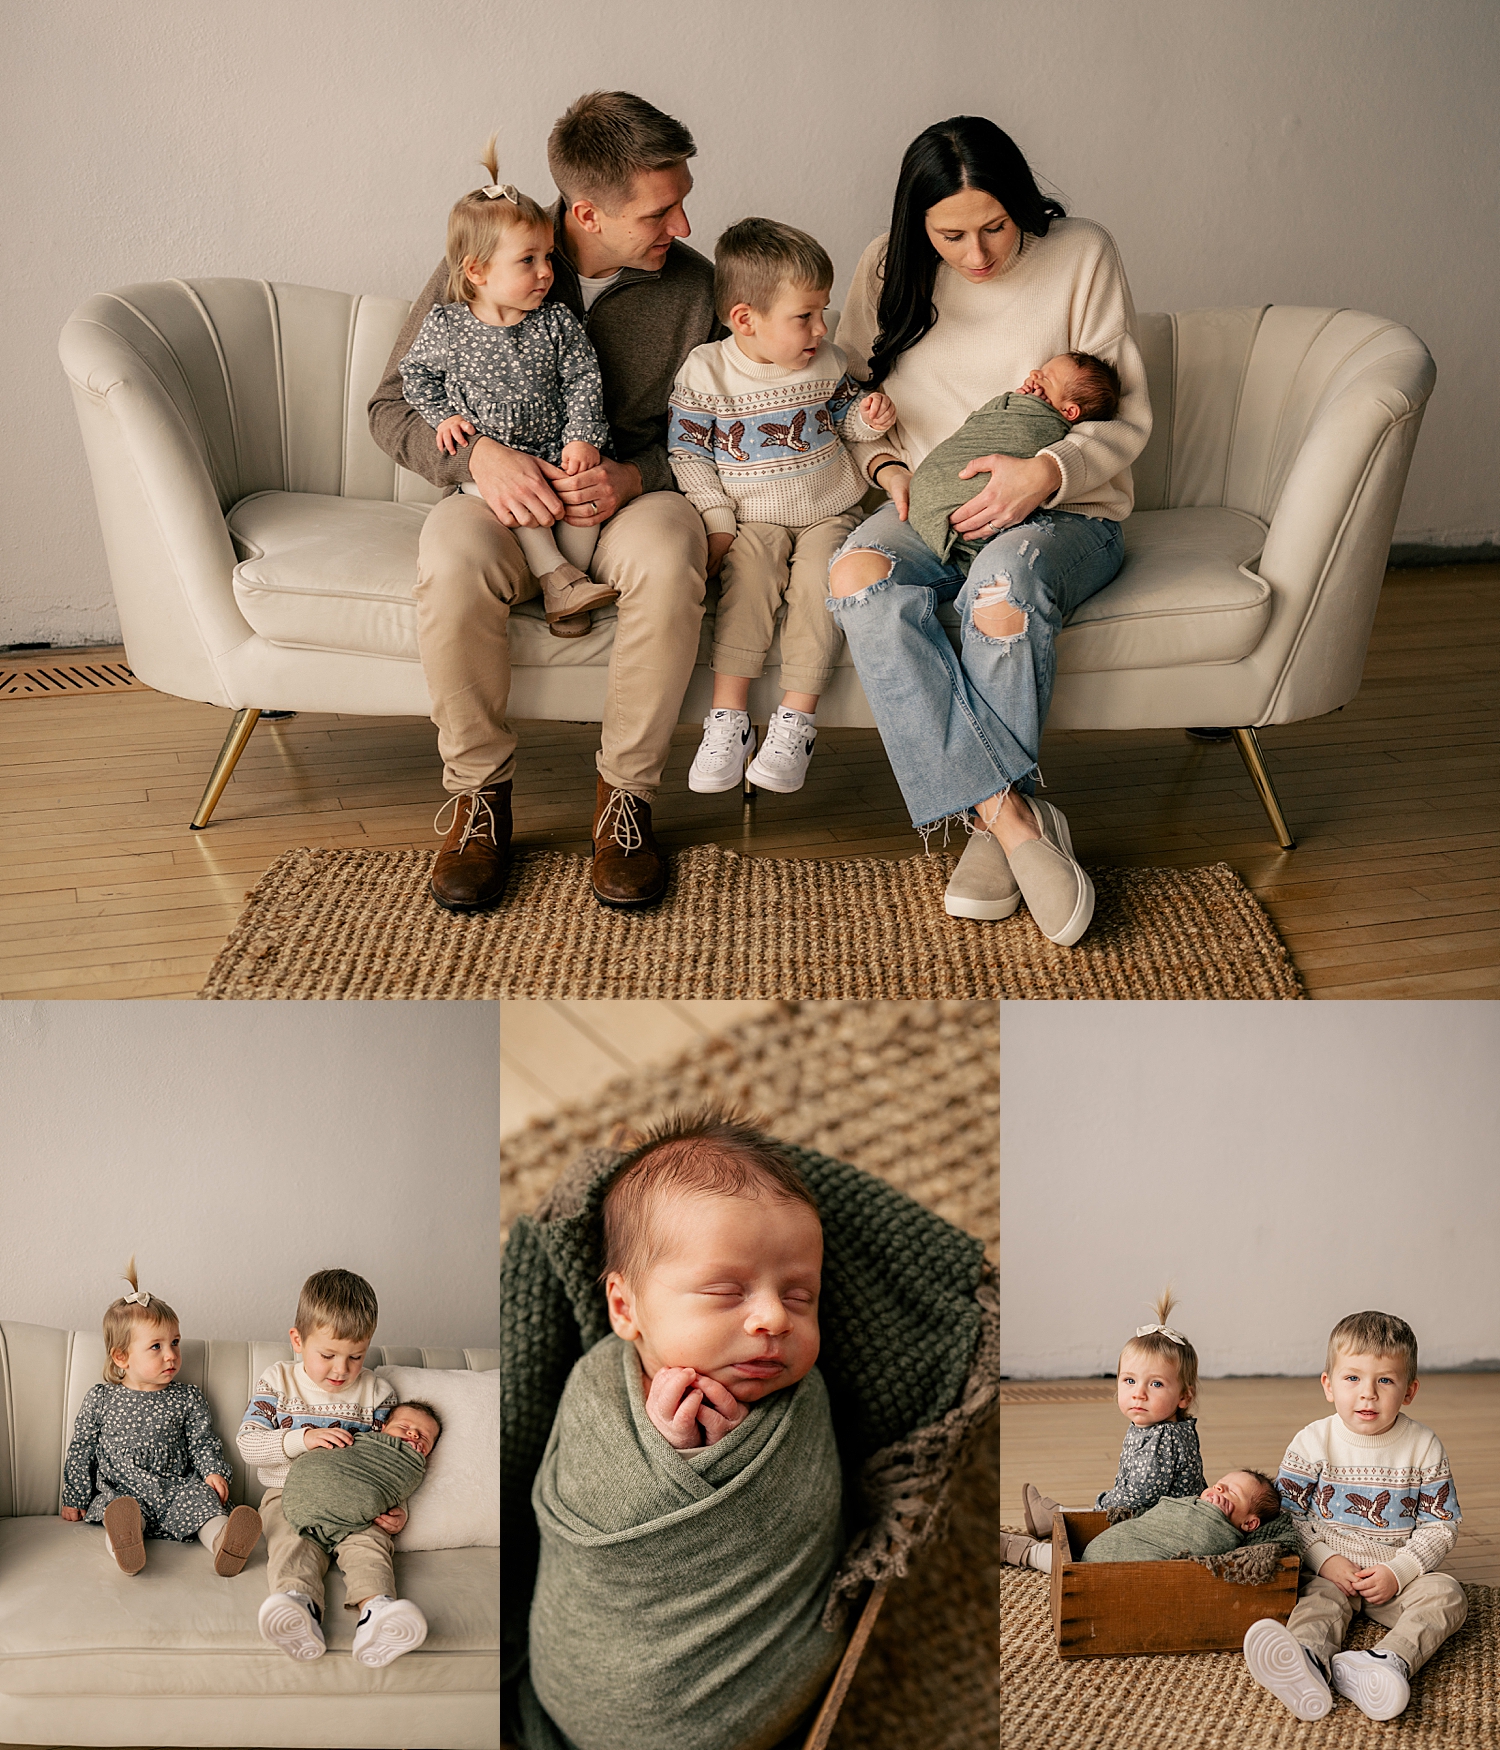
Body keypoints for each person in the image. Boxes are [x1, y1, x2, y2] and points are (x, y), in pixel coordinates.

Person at [369, 92, 720, 915]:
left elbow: (718, 430)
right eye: (661, 210)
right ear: (588, 213)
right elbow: (392, 406)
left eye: (684, 199)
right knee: (451, 560)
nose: (684, 226)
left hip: (628, 498)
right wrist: (478, 459)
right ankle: (477, 801)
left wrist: (639, 478)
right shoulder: (489, 253)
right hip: (499, 502)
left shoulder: (695, 290)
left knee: (673, 559)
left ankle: (625, 805)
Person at [828, 116, 1151, 946]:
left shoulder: (1082, 254)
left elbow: (1127, 418)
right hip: (927, 508)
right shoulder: (886, 267)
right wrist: (888, 469)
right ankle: (1009, 820)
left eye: (995, 228)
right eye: (950, 236)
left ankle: (983, 826)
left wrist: (1045, 473)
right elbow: (846, 401)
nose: (976, 256)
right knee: (855, 574)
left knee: (1000, 590)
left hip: (1067, 513)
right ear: (916, 225)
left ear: (1021, 206)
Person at [525, 1111, 846, 1750]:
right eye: (728, 1292)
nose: (773, 1318)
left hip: (746, 1693)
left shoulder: (804, 1401)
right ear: (625, 1308)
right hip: (595, 1680)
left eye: (800, 1295)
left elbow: (812, 1514)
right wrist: (668, 1458)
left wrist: (728, 1459)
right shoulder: (594, 1388)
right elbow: (585, 1513)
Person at [667, 218, 894, 795]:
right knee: (749, 578)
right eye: (805, 316)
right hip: (751, 517)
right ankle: (728, 719)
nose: (822, 327)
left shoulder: (826, 360)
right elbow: (688, 455)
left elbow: (843, 416)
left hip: (829, 509)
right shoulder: (706, 372)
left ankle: (797, 719)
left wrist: (867, 418)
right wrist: (718, 521)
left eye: (822, 312)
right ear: (746, 319)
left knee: (823, 580)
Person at [399, 138, 613, 638]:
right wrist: (443, 417)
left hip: (552, 449)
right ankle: (557, 577)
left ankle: (565, 584)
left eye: (548, 257)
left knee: (583, 507)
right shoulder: (447, 326)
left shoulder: (556, 322)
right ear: (476, 271)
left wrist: (582, 437)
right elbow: (415, 375)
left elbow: (583, 379)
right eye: (528, 261)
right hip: (490, 463)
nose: (546, 273)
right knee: (514, 500)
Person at [1243, 1311, 1466, 1724]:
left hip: (1396, 1577)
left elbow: (1442, 1524)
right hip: (1332, 1572)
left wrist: (1398, 1571)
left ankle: (1386, 1663)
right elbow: (1287, 1517)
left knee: (1448, 1596)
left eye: (1385, 1380)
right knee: (1315, 1605)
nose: (1368, 1394)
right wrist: (1325, 1560)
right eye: (1352, 1379)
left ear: (1409, 1390)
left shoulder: (1423, 1446)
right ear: (1328, 1385)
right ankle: (1306, 1662)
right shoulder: (1312, 1441)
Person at [237, 1268, 427, 1668]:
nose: (341, 1370)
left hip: (355, 1499)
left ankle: (377, 1612)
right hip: (287, 1495)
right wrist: (300, 1439)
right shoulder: (278, 1380)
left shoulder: (377, 1393)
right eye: (327, 1355)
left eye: (356, 1357)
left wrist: (398, 1511)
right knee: (292, 1542)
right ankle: (298, 1607)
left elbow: (392, 1463)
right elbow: (247, 1444)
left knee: (369, 1545)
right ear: (298, 1340)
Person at [60, 1259, 262, 1577]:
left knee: (203, 1504)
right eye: (156, 1346)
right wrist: (75, 1496)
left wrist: (211, 1472)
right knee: (123, 1512)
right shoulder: (101, 1397)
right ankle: (125, 1544)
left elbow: (202, 1440)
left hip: (175, 1488)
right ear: (121, 1356)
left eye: (175, 1343)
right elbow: (82, 1448)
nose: (171, 1354)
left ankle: (225, 1541)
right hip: (124, 1488)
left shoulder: (187, 1396)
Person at [1004, 1290, 1207, 1573]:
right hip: (1148, 1516)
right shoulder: (1151, 1425)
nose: (1139, 1394)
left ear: (1184, 1396)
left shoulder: (1166, 1438)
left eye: (1156, 1384)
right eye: (1129, 1380)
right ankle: (1055, 1516)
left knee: (1095, 1557)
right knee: (1103, 1514)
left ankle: (1028, 1551)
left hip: (1163, 1530)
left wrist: (1103, 1503)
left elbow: (1136, 1497)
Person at [906, 351, 1121, 573]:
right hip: (914, 493)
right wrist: (1017, 404)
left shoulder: (1045, 422)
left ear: (1068, 411)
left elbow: (1028, 438)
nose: (1034, 373)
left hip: (951, 511)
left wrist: (1030, 408)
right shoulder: (1022, 404)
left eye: (1046, 378)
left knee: (1008, 571)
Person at [280, 1402, 440, 1553]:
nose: (414, 1434)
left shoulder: (410, 1469)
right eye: (404, 1427)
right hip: (308, 1499)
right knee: (295, 1551)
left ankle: (371, 1583)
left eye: (424, 1437)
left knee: (371, 1553)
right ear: (382, 1429)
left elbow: (392, 1486)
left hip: (366, 1520)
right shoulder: (362, 1444)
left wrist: (401, 1513)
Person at [1076, 1469, 1282, 1562]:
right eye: (1220, 1484)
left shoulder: (1225, 1535)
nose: (1218, 1488)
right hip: (1110, 1545)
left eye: (1232, 1492)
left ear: (1249, 1523)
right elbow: (1153, 1519)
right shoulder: (1187, 1505)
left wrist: (1213, 1513)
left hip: (1132, 1563)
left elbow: (1207, 1548)